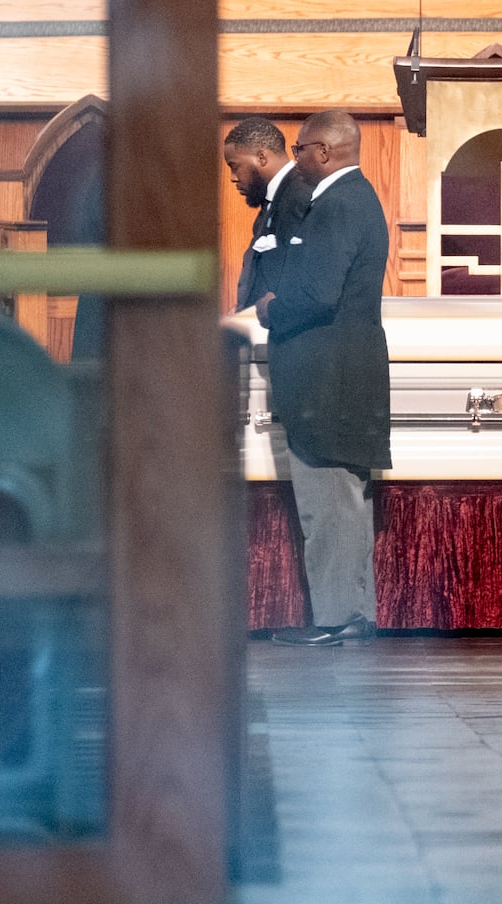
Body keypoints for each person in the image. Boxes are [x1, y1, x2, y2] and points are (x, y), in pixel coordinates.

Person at [255, 110, 392, 647]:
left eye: (300, 148)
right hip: (343, 373)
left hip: (325, 377)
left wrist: (270, 307)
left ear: (324, 152)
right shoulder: (354, 198)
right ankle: (354, 614)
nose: (295, 158)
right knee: (345, 501)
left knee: (328, 503)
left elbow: (316, 294)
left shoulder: (335, 205)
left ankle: (337, 618)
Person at [223, 117, 313, 312]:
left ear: (262, 158)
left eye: (234, 166)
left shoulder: (301, 196)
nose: (232, 178)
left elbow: (307, 282)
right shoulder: (273, 201)